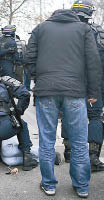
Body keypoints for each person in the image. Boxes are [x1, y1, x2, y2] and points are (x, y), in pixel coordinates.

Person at [25, 8, 102, 198]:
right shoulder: (83, 29)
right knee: (79, 142)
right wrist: (93, 92)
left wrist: (40, 78)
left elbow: (28, 59)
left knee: (47, 141)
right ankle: (82, 186)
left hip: (46, 90)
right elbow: (93, 62)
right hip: (75, 91)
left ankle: (49, 184)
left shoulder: (40, 28)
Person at [61, 0, 104, 173]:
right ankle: (93, 157)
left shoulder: (63, 31)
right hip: (94, 81)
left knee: (68, 113)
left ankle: (69, 151)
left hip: (69, 80)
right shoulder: (98, 31)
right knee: (94, 116)